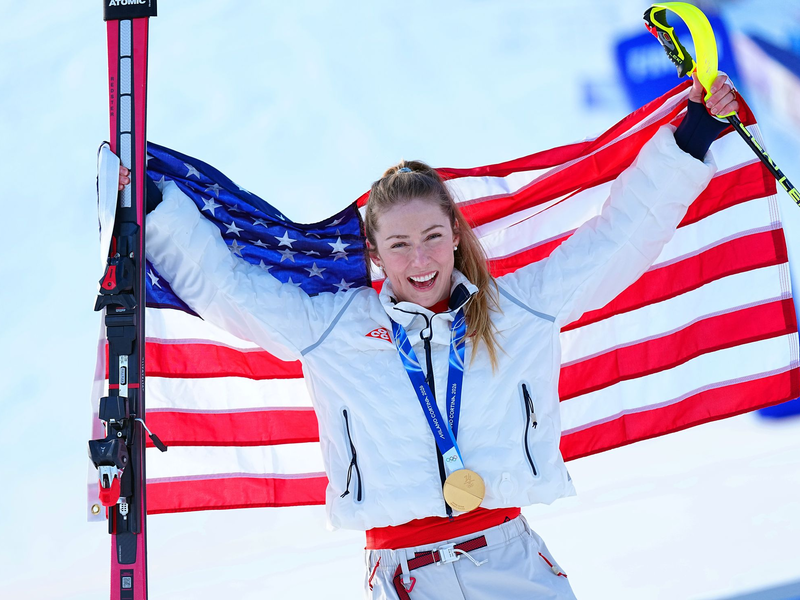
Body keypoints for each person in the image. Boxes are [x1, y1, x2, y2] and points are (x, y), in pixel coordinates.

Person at [119, 74, 738, 599]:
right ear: (374, 252)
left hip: (513, 564)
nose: (421, 259)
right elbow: (228, 289)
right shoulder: (332, 326)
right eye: (399, 244)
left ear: (456, 232)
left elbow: (617, 240)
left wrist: (688, 144)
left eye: (433, 237)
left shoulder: (516, 307)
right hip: (405, 577)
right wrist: (156, 211)